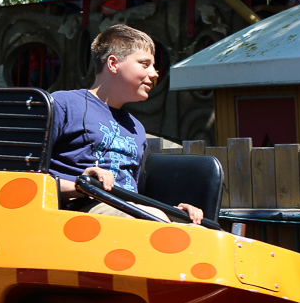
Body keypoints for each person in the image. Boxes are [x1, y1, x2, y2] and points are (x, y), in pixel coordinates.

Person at [49, 24, 203, 224]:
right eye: (144, 64)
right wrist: (80, 185)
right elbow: (21, 178)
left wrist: (172, 212)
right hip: (77, 210)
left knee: (196, 229)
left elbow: (131, 193)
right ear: (113, 63)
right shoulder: (64, 105)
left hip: (126, 211)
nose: (155, 74)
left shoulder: (136, 128)